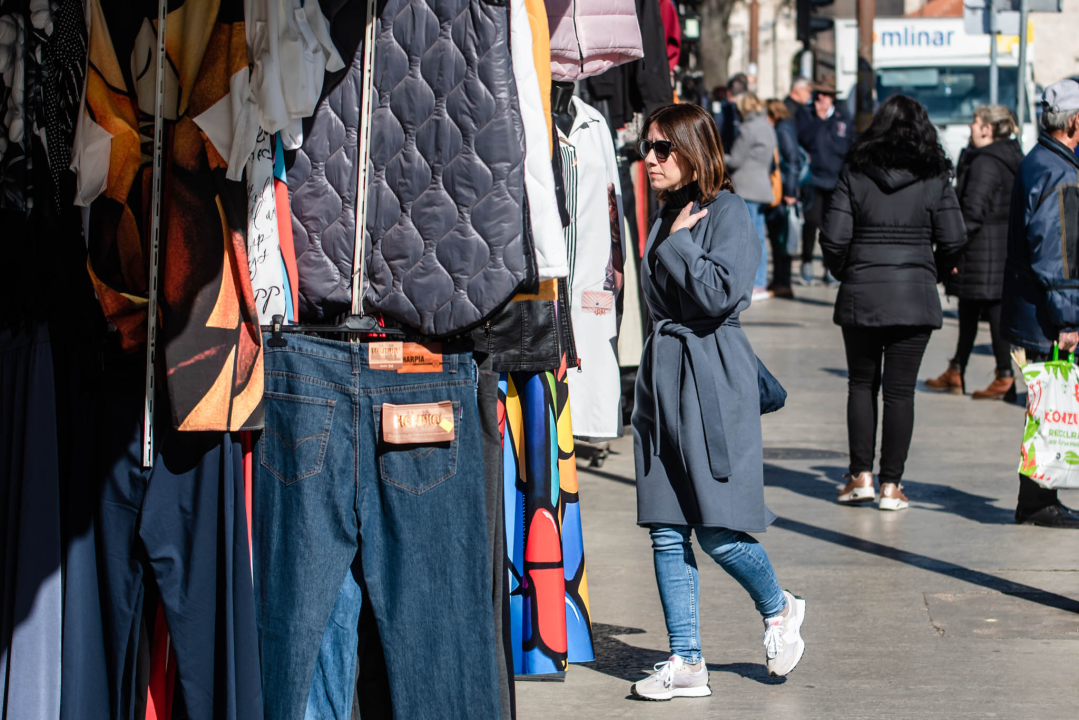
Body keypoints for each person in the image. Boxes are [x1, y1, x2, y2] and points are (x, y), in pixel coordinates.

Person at [630, 103, 806, 701]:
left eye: (663, 148)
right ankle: (685, 660)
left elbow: (718, 294)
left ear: (693, 149)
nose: (650, 159)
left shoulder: (726, 211)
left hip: (711, 380)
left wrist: (679, 244)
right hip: (663, 379)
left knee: (718, 530)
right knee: (665, 527)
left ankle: (779, 607)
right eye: (647, 148)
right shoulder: (665, 214)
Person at [819, 95, 967, 511]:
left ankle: (860, 476)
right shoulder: (935, 176)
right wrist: (934, 271)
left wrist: (849, 271)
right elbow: (955, 237)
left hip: (862, 293)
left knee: (861, 384)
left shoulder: (855, 171)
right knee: (900, 393)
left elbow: (833, 238)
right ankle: (891, 485)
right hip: (915, 295)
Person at [1000, 79, 1079, 528]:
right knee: (1050, 404)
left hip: (1033, 306)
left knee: (1045, 404)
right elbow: (1056, 251)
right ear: (1074, 121)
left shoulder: (1039, 160)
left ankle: (1038, 497)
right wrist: (1068, 319)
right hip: (1047, 313)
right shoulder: (1059, 170)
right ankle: (1037, 501)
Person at [925, 106, 1024, 399]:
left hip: (982, 248)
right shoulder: (1008, 155)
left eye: (975, 121)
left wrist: (952, 248)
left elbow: (972, 212)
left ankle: (1004, 374)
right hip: (997, 245)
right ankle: (957, 369)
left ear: (987, 129)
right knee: (969, 309)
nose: (970, 126)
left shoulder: (986, 162)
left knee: (992, 311)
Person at [725, 92, 779, 301]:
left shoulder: (747, 129)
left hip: (747, 188)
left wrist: (714, 156)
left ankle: (754, 284)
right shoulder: (767, 125)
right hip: (762, 188)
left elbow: (735, 160)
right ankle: (760, 282)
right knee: (759, 238)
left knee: (747, 239)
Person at [798, 83, 853, 286]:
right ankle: (806, 261)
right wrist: (819, 120)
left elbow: (848, 144)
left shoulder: (842, 117)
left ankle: (830, 266)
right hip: (813, 179)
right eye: (819, 94)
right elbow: (803, 139)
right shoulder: (808, 114)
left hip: (836, 179)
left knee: (832, 225)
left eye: (826, 95)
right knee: (811, 222)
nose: (821, 98)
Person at [765, 98, 801, 298]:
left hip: (783, 193)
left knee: (781, 238)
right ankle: (779, 280)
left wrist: (789, 192)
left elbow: (793, 161)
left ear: (775, 114)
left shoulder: (782, 130)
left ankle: (783, 282)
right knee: (779, 237)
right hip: (782, 190)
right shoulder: (785, 127)